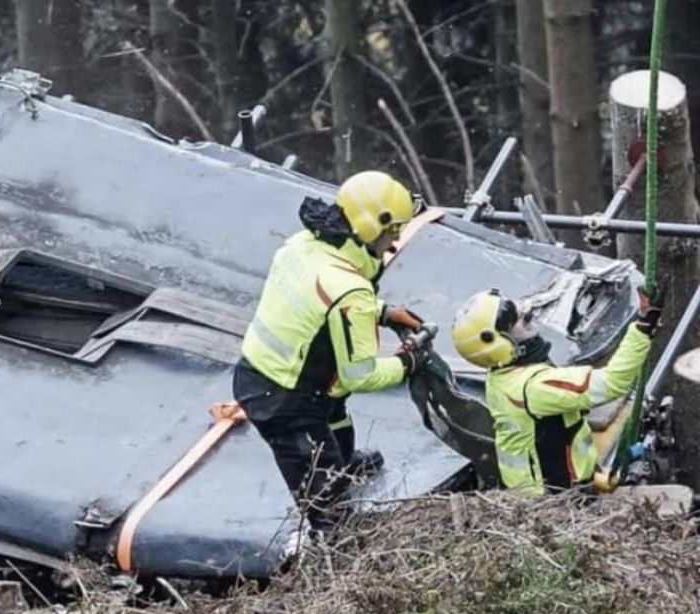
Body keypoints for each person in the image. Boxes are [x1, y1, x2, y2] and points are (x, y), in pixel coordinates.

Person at [234, 170, 429, 516]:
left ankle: (341, 460)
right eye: (393, 231)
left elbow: (320, 300)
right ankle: (330, 536)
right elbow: (361, 375)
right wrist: (406, 364)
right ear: (371, 227)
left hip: (272, 372)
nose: (395, 242)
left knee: (334, 407)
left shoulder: (304, 244)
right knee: (325, 500)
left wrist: (383, 313)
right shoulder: (350, 288)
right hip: (283, 401)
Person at [450, 286, 662, 494]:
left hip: (530, 493)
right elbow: (613, 382)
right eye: (516, 320)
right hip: (559, 498)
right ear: (496, 343)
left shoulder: (499, 377)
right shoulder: (534, 387)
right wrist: (644, 325)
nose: (527, 316)